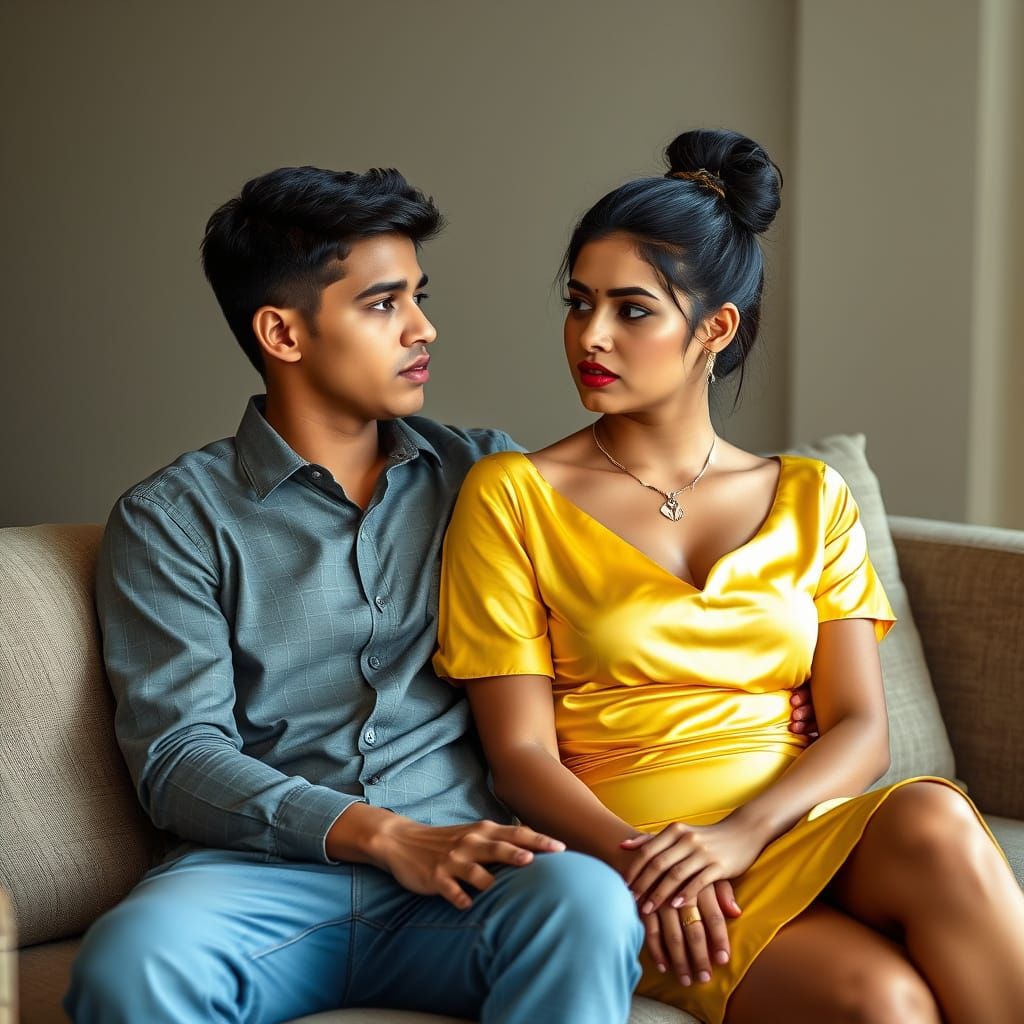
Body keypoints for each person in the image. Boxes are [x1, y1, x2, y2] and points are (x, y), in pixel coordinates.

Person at [432, 128, 1024, 1024]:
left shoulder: (809, 495)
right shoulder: (512, 494)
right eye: (578, 301)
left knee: (935, 820)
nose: (590, 335)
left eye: (632, 309)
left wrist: (740, 835)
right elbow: (519, 758)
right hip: (637, 854)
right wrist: (657, 863)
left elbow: (861, 726)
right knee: (884, 1003)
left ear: (715, 328)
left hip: (790, 830)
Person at [64, 166, 654, 1023]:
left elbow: (622, 611)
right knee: (130, 961)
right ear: (283, 332)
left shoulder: (485, 476)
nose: (424, 328)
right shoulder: (172, 519)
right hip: (260, 880)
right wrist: (383, 836)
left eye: (419, 296)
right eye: (383, 304)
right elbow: (178, 758)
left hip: (473, 869)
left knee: (586, 907)